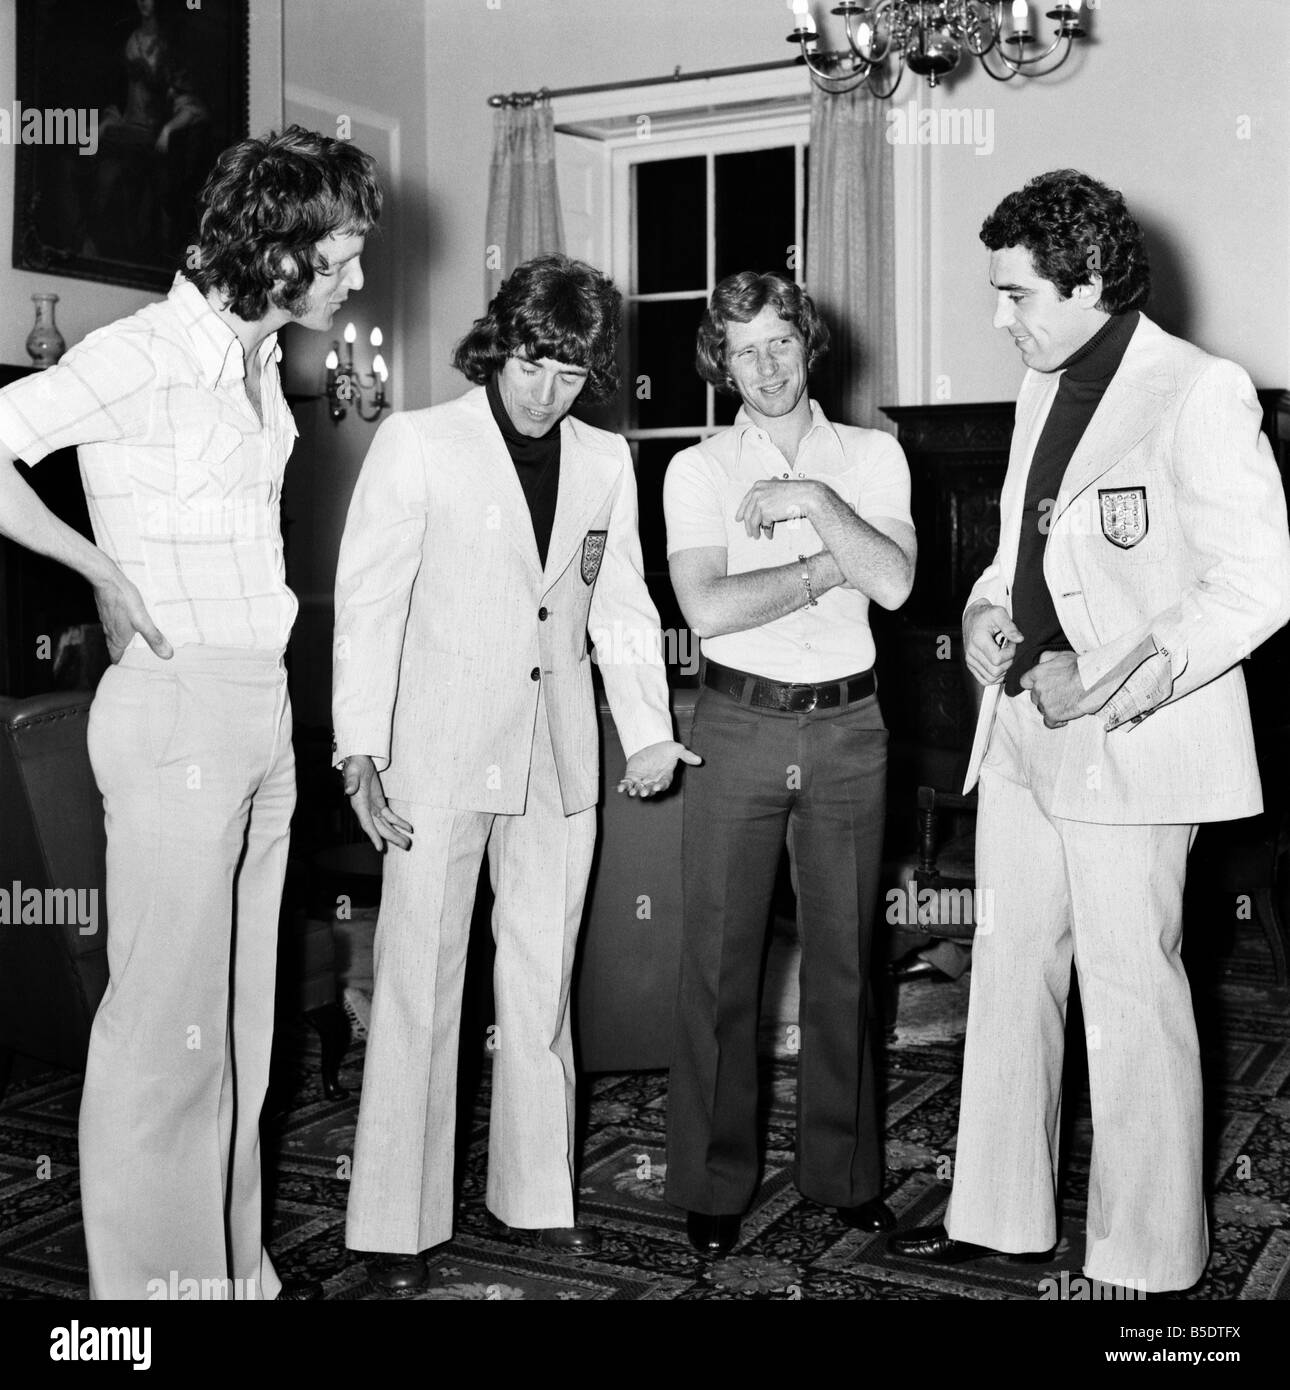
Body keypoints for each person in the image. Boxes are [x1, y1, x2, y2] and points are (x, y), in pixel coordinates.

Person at [891, 170, 1290, 1293]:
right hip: (1020, 725)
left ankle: (1148, 1255)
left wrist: (1109, 678)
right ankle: (999, 1215)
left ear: (1092, 281)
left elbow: (1258, 584)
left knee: (1130, 987)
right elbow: (1024, 550)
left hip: (1132, 738)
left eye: (1017, 294)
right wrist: (982, 611)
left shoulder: (1200, 390)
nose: (1000, 317)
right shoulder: (1040, 381)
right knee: (1011, 967)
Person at [0, 125, 381, 1300]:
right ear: (278, 252)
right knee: (161, 1040)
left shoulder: (259, 365)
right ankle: (156, 1304)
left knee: (236, 1030)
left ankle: (228, 1275)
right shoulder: (146, 352)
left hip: (258, 708)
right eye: (344, 256)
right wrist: (96, 570)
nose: (358, 280)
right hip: (175, 711)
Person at [333, 252, 697, 1294]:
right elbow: (368, 605)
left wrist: (648, 731)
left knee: (539, 981)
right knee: (419, 984)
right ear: (500, 345)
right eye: (532, 364)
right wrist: (359, 746)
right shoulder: (417, 442)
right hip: (437, 751)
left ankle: (533, 1197)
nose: (546, 392)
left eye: (570, 375)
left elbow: (620, 602)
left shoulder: (604, 461)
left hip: (556, 755)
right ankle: (392, 1227)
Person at [662, 271, 916, 1255]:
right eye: (742, 349)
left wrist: (810, 496)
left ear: (809, 343)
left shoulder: (875, 456)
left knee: (848, 962)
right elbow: (712, 611)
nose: (765, 368)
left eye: (780, 343)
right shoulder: (697, 471)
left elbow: (892, 582)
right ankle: (714, 1181)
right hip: (739, 724)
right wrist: (826, 560)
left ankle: (843, 1175)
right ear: (717, 362)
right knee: (720, 963)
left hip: (851, 728)